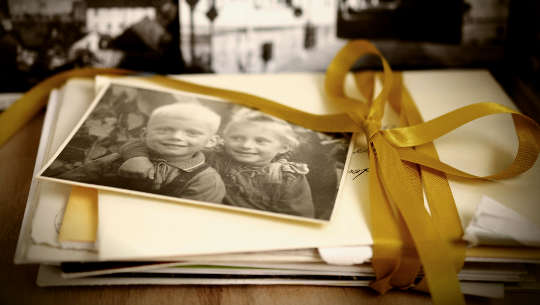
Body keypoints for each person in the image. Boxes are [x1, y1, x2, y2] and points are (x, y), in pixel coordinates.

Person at [119, 108, 315, 218]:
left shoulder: (287, 177)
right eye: (237, 138)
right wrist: (137, 158)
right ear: (223, 138)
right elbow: (145, 142)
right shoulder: (214, 154)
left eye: (261, 141)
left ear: (283, 147)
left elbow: (298, 219)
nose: (246, 145)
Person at [117, 102, 226, 203]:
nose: (176, 137)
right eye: (164, 130)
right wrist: (135, 158)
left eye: (192, 133)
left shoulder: (206, 181)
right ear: (145, 134)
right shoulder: (122, 158)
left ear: (211, 141)